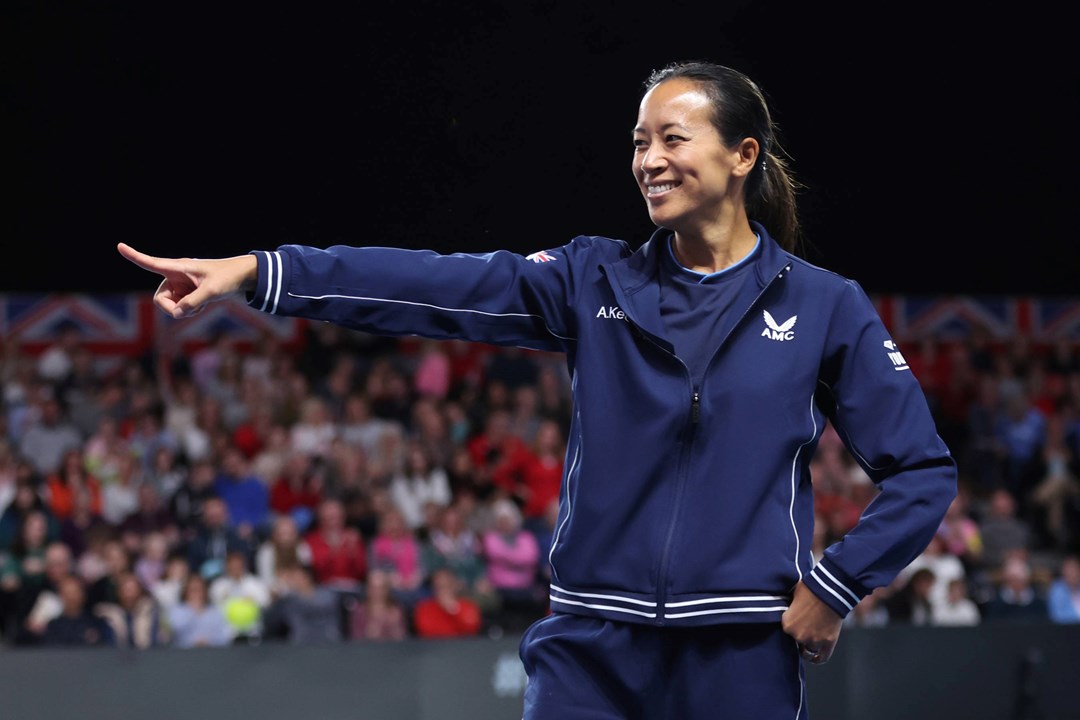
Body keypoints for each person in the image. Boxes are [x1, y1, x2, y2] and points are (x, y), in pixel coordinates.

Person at [117, 60, 957, 718]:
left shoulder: (823, 304)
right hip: (587, 648)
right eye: (638, 142)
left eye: (671, 139)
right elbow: (436, 286)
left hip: (738, 653)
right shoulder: (593, 278)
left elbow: (921, 471)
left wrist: (836, 585)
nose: (648, 161)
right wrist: (260, 272)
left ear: (743, 156)